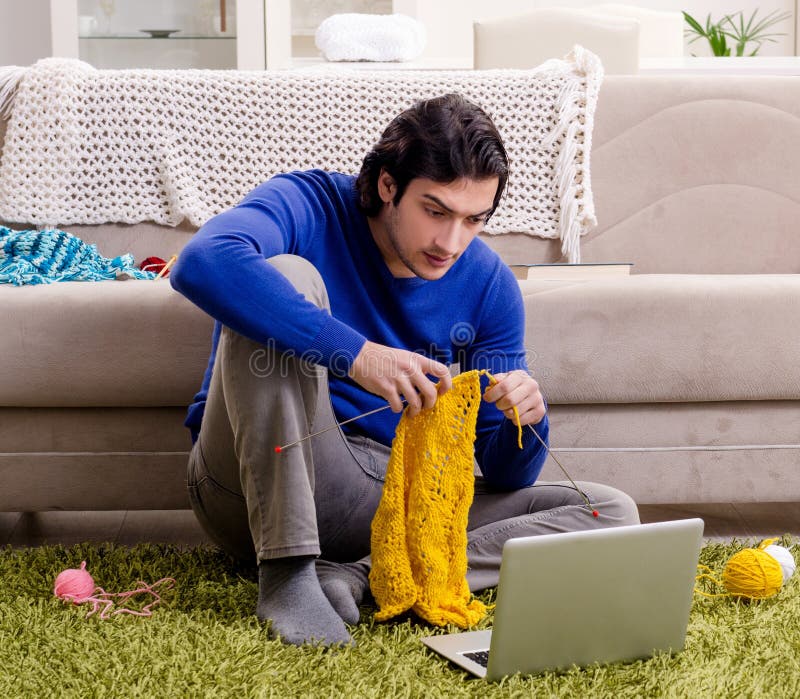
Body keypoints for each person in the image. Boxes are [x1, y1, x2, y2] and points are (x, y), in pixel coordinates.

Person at [170, 93, 639, 647]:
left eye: (473, 220)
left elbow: (508, 475)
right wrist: (358, 355)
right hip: (252, 486)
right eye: (436, 212)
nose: (451, 242)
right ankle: (288, 573)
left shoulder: (489, 284)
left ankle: (365, 575)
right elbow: (205, 261)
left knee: (607, 510)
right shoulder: (309, 203)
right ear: (388, 185)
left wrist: (525, 420)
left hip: (389, 505)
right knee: (288, 274)